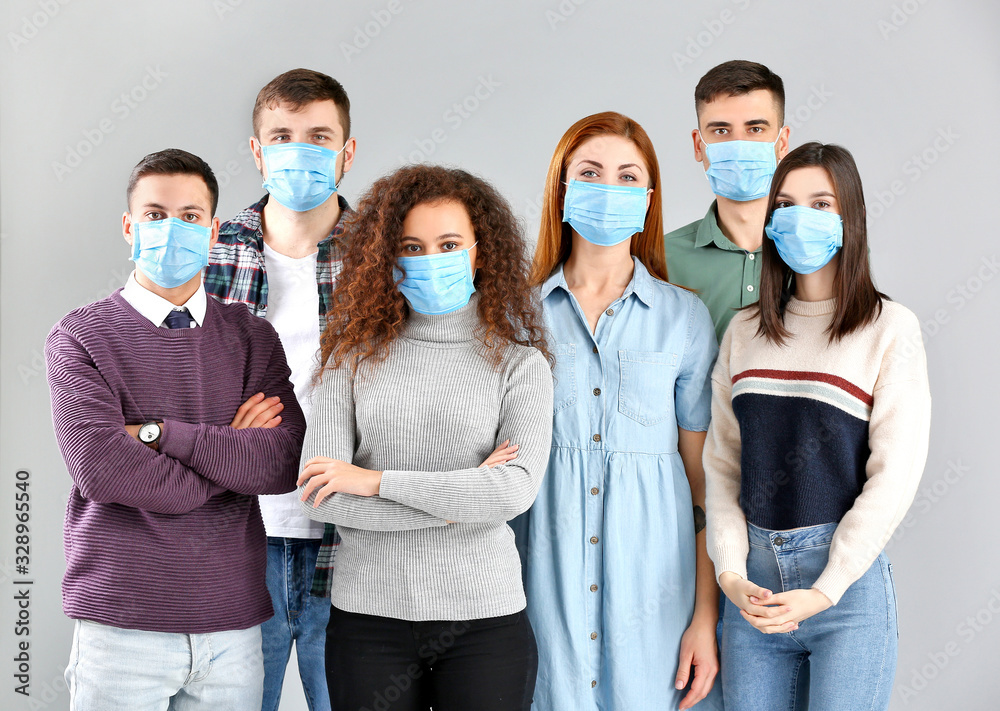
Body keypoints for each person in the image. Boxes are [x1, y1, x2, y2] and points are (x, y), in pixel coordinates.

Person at [46, 148, 306, 710]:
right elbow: (107, 471)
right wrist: (229, 453)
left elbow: (280, 463)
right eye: (155, 213)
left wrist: (162, 434)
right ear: (128, 226)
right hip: (122, 627)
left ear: (213, 230)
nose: (172, 229)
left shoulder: (251, 337)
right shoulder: (80, 338)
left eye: (190, 216)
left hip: (232, 631)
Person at [296, 164, 553, 711]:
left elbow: (513, 494)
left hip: (485, 623)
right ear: (387, 258)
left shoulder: (521, 365)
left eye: (449, 243)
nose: (430, 259)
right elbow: (327, 496)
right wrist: (466, 497)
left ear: (480, 252)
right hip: (369, 623)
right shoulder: (349, 359)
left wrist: (374, 480)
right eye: (411, 246)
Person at [704, 142, 931, 710]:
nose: (800, 218)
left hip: (845, 592)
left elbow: (894, 475)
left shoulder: (889, 329)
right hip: (751, 589)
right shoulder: (743, 332)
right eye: (786, 203)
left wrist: (826, 588)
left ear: (848, 217)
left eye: (821, 203)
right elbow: (722, 466)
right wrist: (730, 572)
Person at [516, 111, 722, 710]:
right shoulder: (516, 318)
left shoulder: (684, 318)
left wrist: (704, 620)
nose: (609, 188)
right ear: (562, 188)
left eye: (628, 176)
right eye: (591, 172)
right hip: (539, 593)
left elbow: (704, 487)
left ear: (650, 198)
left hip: (659, 596)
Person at [205, 68, 356, 711]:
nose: (301, 151)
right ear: (257, 150)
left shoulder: (385, 255)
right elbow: (163, 377)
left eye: (319, 136)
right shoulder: (209, 249)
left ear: (348, 153)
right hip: (238, 527)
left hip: (352, 532)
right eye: (284, 135)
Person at [665, 60, 790, 343]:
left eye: (755, 129)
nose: (738, 143)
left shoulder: (823, 250)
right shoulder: (659, 259)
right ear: (699, 145)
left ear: (782, 143)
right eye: (721, 131)